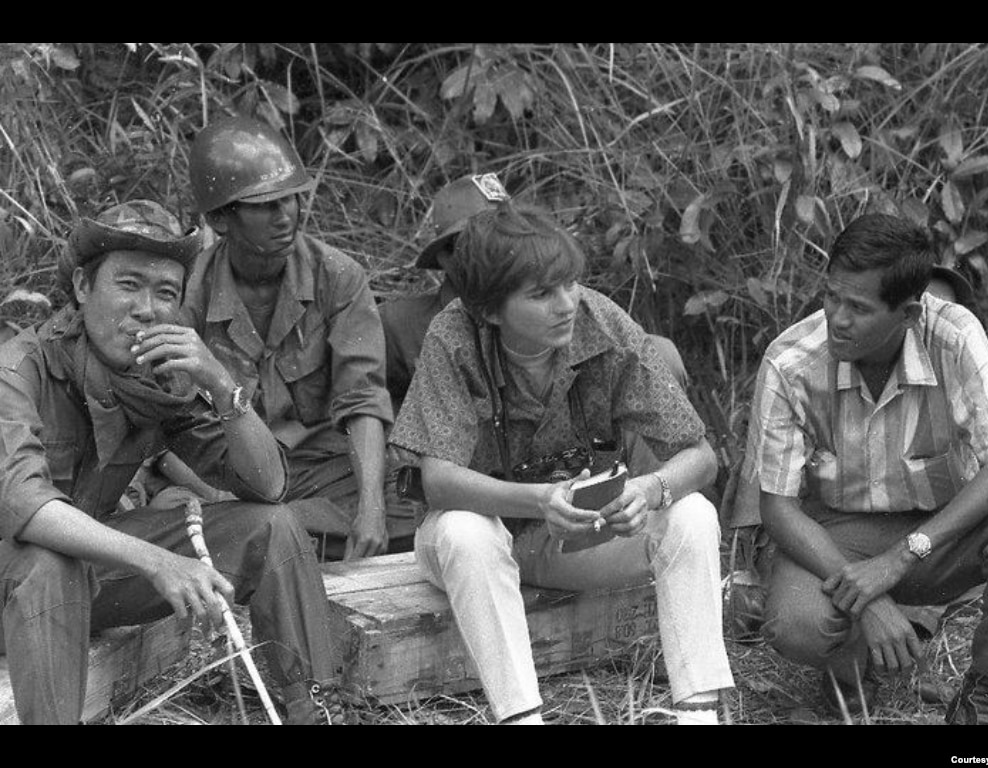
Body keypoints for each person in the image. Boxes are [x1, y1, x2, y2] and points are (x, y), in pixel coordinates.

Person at [0, 200, 347, 724]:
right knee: (50, 559)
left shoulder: (155, 382)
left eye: (166, 293)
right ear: (81, 288)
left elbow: (269, 487)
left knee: (271, 527)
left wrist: (219, 383)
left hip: (75, 587)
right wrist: (157, 559)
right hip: (20, 582)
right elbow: (27, 509)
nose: (147, 308)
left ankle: (316, 710)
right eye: (128, 285)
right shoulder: (17, 371)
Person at [388, 201, 735, 725]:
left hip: (572, 542)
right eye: (541, 294)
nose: (566, 303)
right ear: (489, 311)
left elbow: (700, 455)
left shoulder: (602, 322)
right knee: (465, 531)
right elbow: (436, 480)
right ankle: (521, 717)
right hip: (477, 547)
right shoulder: (453, 335)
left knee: (694, 515)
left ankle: (699, 715)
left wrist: (649, 489)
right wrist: (538, 500)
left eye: (570, 283)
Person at [745, 212, 988, 724]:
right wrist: (870, 601)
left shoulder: (954, 336)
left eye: (858, 307)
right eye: (831, 296)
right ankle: (848, 678)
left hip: (940, 534)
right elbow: (778, 510)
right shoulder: (790, 362)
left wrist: (900, 558)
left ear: (910, 313)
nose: (837, 318)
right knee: (797, 624)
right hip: (836, 535)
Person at [177, 115, 412, 560]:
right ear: (219, 219)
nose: (286, 216)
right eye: (265, 205)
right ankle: (278, 537)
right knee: (180, 515)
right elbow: (166, 423)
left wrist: (370, 508)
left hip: (324, 469)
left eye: (291, 199)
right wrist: (217, 495)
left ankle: (277, 539)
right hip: (226, 473)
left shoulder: (338, 277)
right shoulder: (188, 291)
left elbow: (362, 399)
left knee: (423, 503)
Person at [380, 174, 688, 417]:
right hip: (474, 470)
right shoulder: (400, 324)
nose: (497, 247)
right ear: (446, 257)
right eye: (476, 240)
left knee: (659, 355)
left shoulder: (565, 301)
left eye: (508, 232)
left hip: (569, 446)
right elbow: (371, 409)